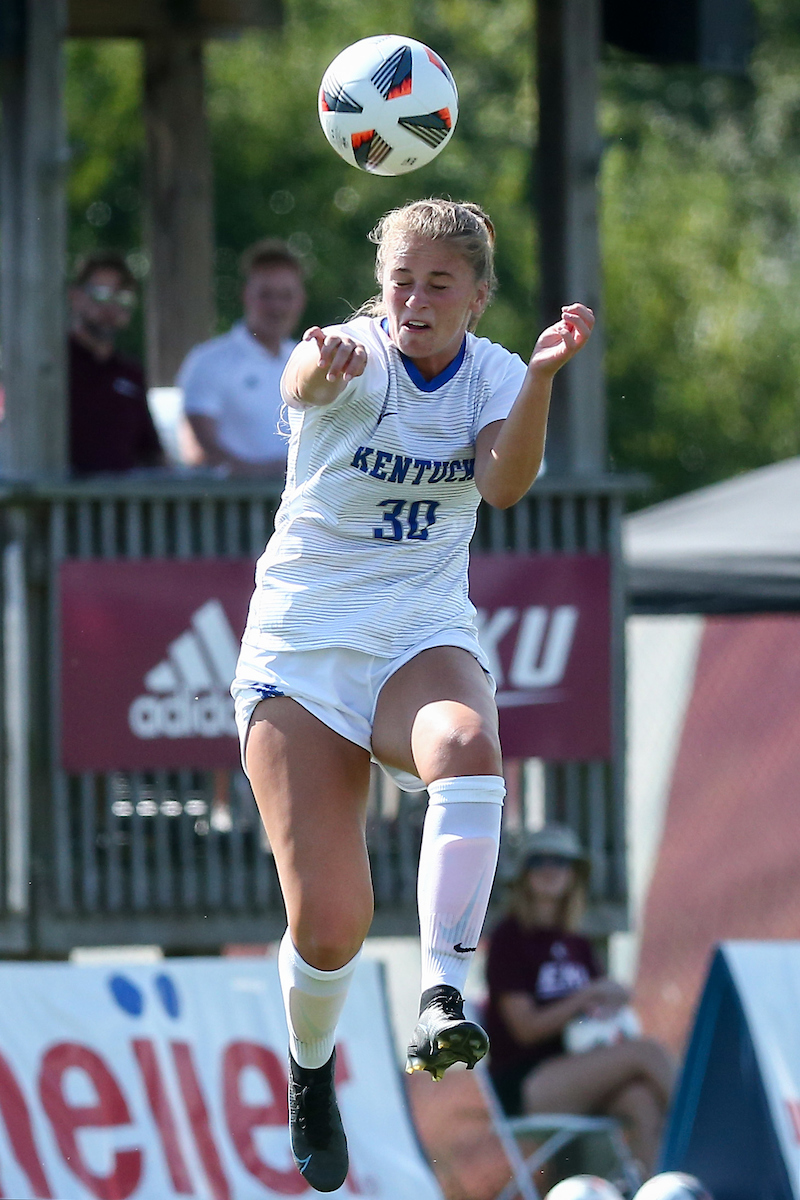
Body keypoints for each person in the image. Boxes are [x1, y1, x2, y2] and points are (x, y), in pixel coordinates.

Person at [231, 198, 594, 1193]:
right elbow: (302, 379)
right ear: (379, 287)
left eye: (440, 284)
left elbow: (503, 484)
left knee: (468, 745)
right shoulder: (349, 355)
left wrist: (542, 380)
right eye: (401, 281)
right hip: (302, 649)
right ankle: (311, 1072)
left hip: (417, 632)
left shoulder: (497, 373)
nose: (416, 300)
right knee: (330, 926)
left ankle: (442, 995)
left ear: (478, 297)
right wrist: (317, 366)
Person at [485, 824, 675, 1176]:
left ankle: (655, 1189)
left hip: (581, 1067)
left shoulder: (579, 944)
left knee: (642, 1100)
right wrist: (585, 995)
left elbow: (594, 1012)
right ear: (523, 874)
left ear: (573, 874)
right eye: (539, 861)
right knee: (646, 1053)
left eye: (561, 861)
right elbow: (526, 1029)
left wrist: (610, 1000)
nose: (550, 869)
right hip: (528, 1082)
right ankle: (713, 1130)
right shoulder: (508, 939)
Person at [177, 239, 306, 475]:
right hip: (233, 498)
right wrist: (265, 475)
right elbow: (196, 450)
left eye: (286, 296)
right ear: (246, 295)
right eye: (266, 295)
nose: (277, 307)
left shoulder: (308, 361)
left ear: (301, 300)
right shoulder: (208, 361)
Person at [69, 252, 164, 475]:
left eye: (123, 298)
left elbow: (151, 452)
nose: (111, 308)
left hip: (122, 495)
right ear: (75, 297)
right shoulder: (53, 368)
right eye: (101, 295)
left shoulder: (130, 372)